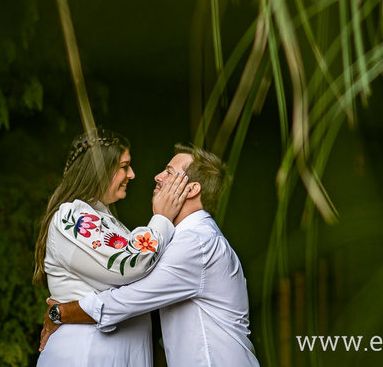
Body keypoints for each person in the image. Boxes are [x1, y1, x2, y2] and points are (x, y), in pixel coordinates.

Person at [41, 144, 259, 367]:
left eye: (168, 172)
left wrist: (61, 311)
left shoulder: (196, 243)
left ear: (191, 189)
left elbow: (128, 299)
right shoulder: (189, 240)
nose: (157, 177)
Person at [34, 129, 189, 366]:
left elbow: (146, 285)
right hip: (84, 355)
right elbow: (130, 266)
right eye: (124, 166)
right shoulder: (73, 216)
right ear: (99, 169)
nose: (132, 174)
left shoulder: (108, 222)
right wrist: (162, 218)